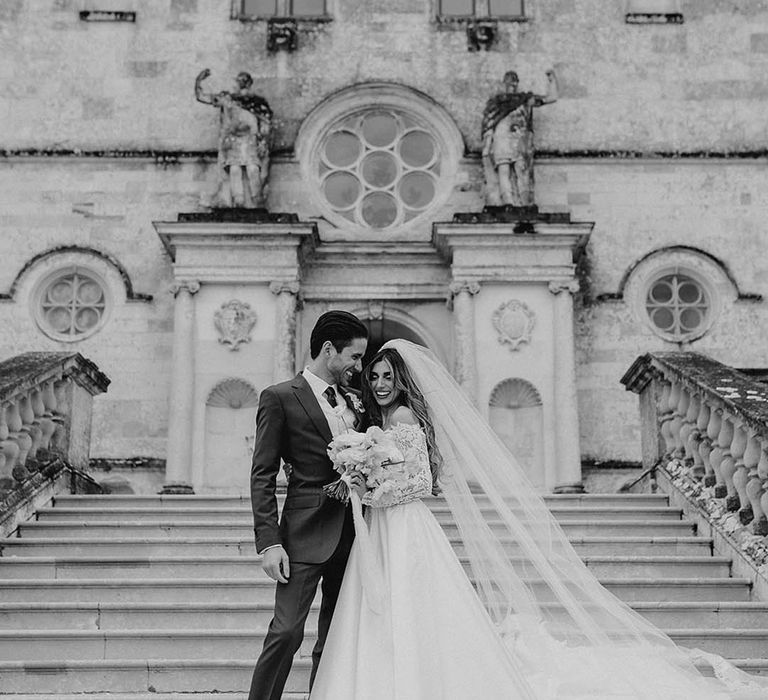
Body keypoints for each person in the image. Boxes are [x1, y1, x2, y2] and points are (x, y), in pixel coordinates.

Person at [310, 340, 768, 699]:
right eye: (375, 376)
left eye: (388, 376)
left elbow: (421, 482)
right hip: (381, 528)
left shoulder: (405, 415)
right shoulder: (377, 419)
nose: (382, 382)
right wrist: (360, 475)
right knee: (380, 608)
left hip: (405, 525)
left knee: (414, 605)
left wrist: (370, 487)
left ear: (402, 380)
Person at [248, 310, 368, 700]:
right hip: (301, 533)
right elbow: (262, 473)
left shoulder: (357, 402)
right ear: (329, 349)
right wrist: (269, 542)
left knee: (335, 637)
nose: (359, 366)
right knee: (285, 631)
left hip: (353, 531)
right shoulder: (280, 397)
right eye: (354, 356)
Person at [195, 68, 273, 208]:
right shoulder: (228, 99)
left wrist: (263, 141)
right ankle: (239, 200)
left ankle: (256, 200)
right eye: (240, 81)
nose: (241, 83)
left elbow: (266, 123)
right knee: (235, 169)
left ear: (248, 83)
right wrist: (199, 81)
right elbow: (201, 97)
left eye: (244, 81)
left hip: (250, 139)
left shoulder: (257, 102)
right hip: (234, 140)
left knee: (252, 169)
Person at [481, 69, 557, 207]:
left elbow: (551, 98)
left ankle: (525, 203)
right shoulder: (496, 102)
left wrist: (552, 80)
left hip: (519, 140)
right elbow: (488, 125)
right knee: (503, 170)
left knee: (521, 169)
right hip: (501, 138)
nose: (513, 85)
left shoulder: (525, 99)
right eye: (510, 82)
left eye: (515, 82)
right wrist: (487, 144)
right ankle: (507, 202)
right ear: (504, 83)